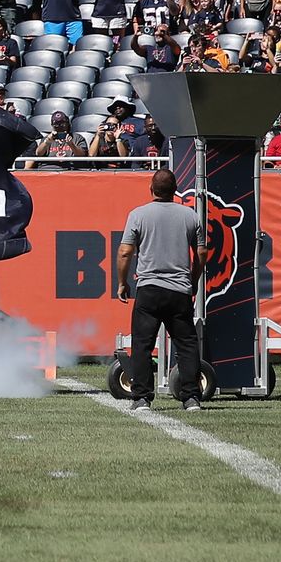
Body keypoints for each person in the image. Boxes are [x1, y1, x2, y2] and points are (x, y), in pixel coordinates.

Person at [116, 169, 206, 410]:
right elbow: (201, 253)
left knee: (142, 345)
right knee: (186, 345)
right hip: (179, 290)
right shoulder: (191, 215)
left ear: (151, 189)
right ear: (175, 190)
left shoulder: (138, 215)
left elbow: (125, 252)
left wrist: (122, 283)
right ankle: (190, 397)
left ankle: (142, 397)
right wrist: (193, 280)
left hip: (149, 288)